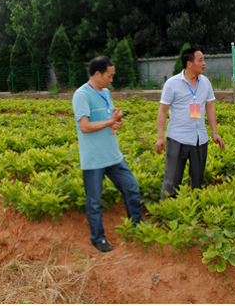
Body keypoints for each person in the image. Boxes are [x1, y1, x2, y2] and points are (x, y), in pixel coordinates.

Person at [72, 56, 143, 253]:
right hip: (94, 158)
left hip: (113, 155)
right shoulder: (81, 95)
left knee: (131, 188)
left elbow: (108, 120)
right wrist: (110, 122)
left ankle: (137, 226)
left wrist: (116, 122)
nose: (111, 80)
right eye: (109, 76)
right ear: (97, 74)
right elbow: (85, 126)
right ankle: (98, 238)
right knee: (94, 202)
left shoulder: (106, 92)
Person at [155, 48, 225, 200]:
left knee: (198, 180)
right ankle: (167, 211)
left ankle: (194, 211)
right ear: (189, 63)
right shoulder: (172, 84)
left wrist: (215, 133)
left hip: (200, 138)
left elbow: (210, 107)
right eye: (200, 60)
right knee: (172, 180)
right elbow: (162, 111)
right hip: (177, 138)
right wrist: (160, 137)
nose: (204, 63)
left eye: (203, 60)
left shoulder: (205, 82)